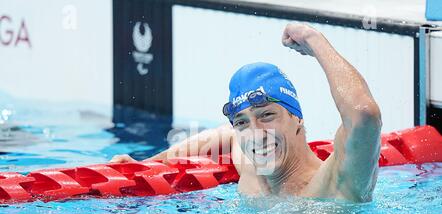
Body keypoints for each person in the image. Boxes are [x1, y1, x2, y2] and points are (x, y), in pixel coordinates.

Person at [110, 23, 382, 203]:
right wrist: (148, 164)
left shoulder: (335, 185)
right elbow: (226, 134)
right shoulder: (253, 172)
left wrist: (315, 41)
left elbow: (363, 114)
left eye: (266, 116)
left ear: (297, 118)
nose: (255, 134)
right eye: (243, 122)